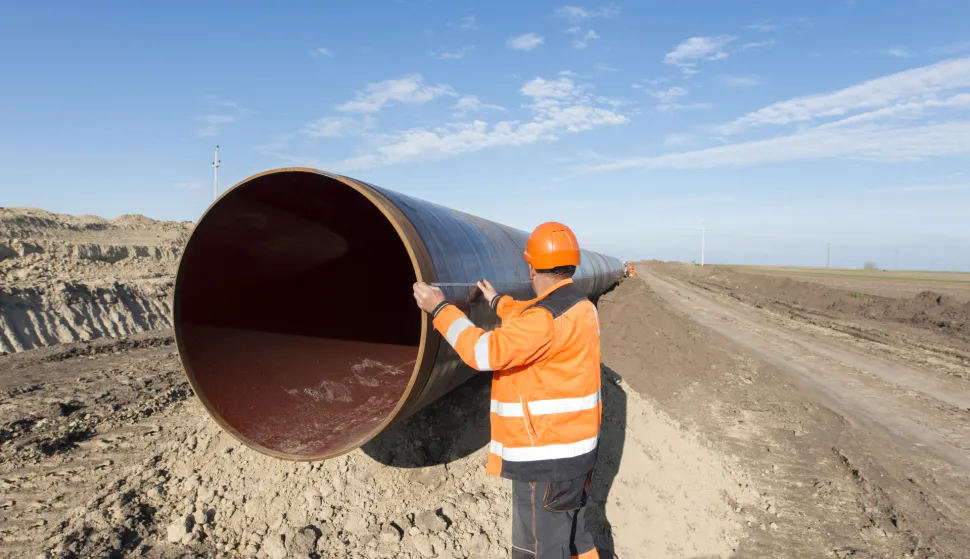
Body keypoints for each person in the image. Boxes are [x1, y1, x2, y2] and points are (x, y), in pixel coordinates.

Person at [412, 222, 601, 559]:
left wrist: (440, 309)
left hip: (545, 459)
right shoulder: (579, 307)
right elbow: (535, 321)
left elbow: (482, 352)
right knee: (575, 537)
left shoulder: (543, 321)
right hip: (576, 454)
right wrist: (498, 301)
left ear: (530, 266)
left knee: (540, 549)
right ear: (572, 265)